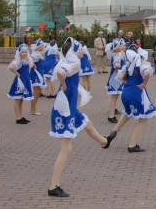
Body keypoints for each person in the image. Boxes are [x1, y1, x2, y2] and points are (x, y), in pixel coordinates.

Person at [48, 38, 116, 198]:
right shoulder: (74, 64)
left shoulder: (67, 61)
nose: (82, 51)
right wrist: (64, 86)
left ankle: (104, 142)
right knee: (66, 149)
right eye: (79, 49)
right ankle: (53, 186)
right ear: (73, 51)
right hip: (64, 109)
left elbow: (60, 71)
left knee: (87, 123)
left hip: (67, 107)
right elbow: (60, 73)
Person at [109, 44, 156, 153]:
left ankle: (113, 132)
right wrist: (144, 83)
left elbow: (120, 77)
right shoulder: (141, 64)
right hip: (136, 93)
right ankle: (132, 145)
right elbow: (147, 72)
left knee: (128, 113)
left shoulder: (128, 66)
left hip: (126, 92)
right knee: (143, 118)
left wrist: (129, 83)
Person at [7, 44, 34, 124]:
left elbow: (29, 68)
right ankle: (18, 117)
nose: (24, 54)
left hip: (26, 80)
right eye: (23, 52)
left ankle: (21, 116)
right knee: (17, 99)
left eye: (26, 52)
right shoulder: (18, 61)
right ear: (19, 53)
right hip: (19, 81)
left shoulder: (28, 60)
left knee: (21, 99)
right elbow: (11, 67)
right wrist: (17, 73)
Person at [106, 39, 126, 123]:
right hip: (115, 78)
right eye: (121, 46)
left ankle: (113, 111)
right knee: (113, 96)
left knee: (116, 95)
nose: (123, 47)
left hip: (117, 77)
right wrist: (119, 71)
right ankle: (111, 115)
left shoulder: (120, 54)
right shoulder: (116, 55)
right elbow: (116, 65)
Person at [29, 40, 47, 114]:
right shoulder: (35, 54)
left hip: (39, 72)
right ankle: (33, 108)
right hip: (35, 73)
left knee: (39, 90)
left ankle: (33, 107)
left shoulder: (38, 53)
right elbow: (29, 59)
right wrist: (32, 64)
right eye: (42, 45)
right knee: (36, 91)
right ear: (38, 46)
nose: (44, 47)